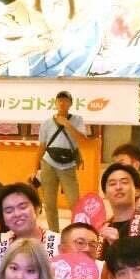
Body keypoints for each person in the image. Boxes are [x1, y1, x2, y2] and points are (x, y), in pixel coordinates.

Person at [33, 91, 86, 228]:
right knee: (49, 203)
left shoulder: (78, 120)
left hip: (68, 165)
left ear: (71, 104)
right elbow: (42, 146)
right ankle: (53, 232)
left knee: (75, 202)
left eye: (66, 100)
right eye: (60, 100)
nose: (62, 103)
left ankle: (76, 230)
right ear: (55, 103)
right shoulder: (46, 123)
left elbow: (82, 139)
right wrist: (35, 169)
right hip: (48, 163)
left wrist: (67, 124)